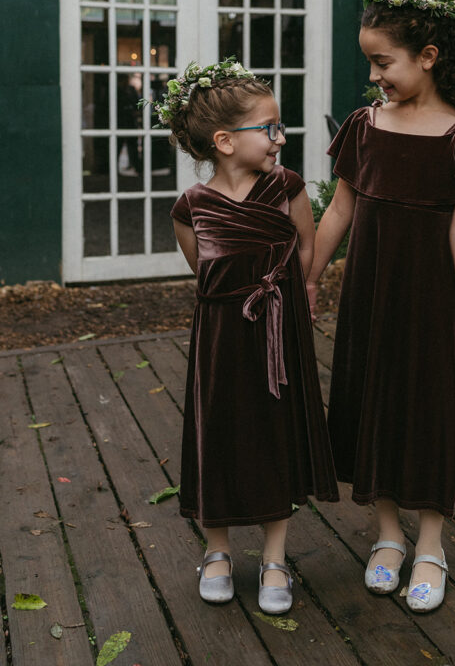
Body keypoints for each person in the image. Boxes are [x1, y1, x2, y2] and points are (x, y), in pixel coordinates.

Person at [308, 0, 455, 614]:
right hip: (368, 292)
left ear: (428, 56)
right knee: (369, 399)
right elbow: (339, 211)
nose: (375, 75)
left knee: (427, 410)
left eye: (383, 62)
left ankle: (432, 545)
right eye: (370, 63)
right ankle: (388, 535)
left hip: (430, 300)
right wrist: (310, 275)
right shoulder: (365, 127)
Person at [153, 57, 338, 612]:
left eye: (279, 128)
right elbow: (203, 273)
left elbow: (306, 246)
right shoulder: (191, 208)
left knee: (273, 430)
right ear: (225, 141)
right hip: (220, 338)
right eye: (270, 129)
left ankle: (276, 556)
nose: (280, 138)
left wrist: (299, 291)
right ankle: (217, 550)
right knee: (221, 430)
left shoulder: (286, 187)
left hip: (278, 330)